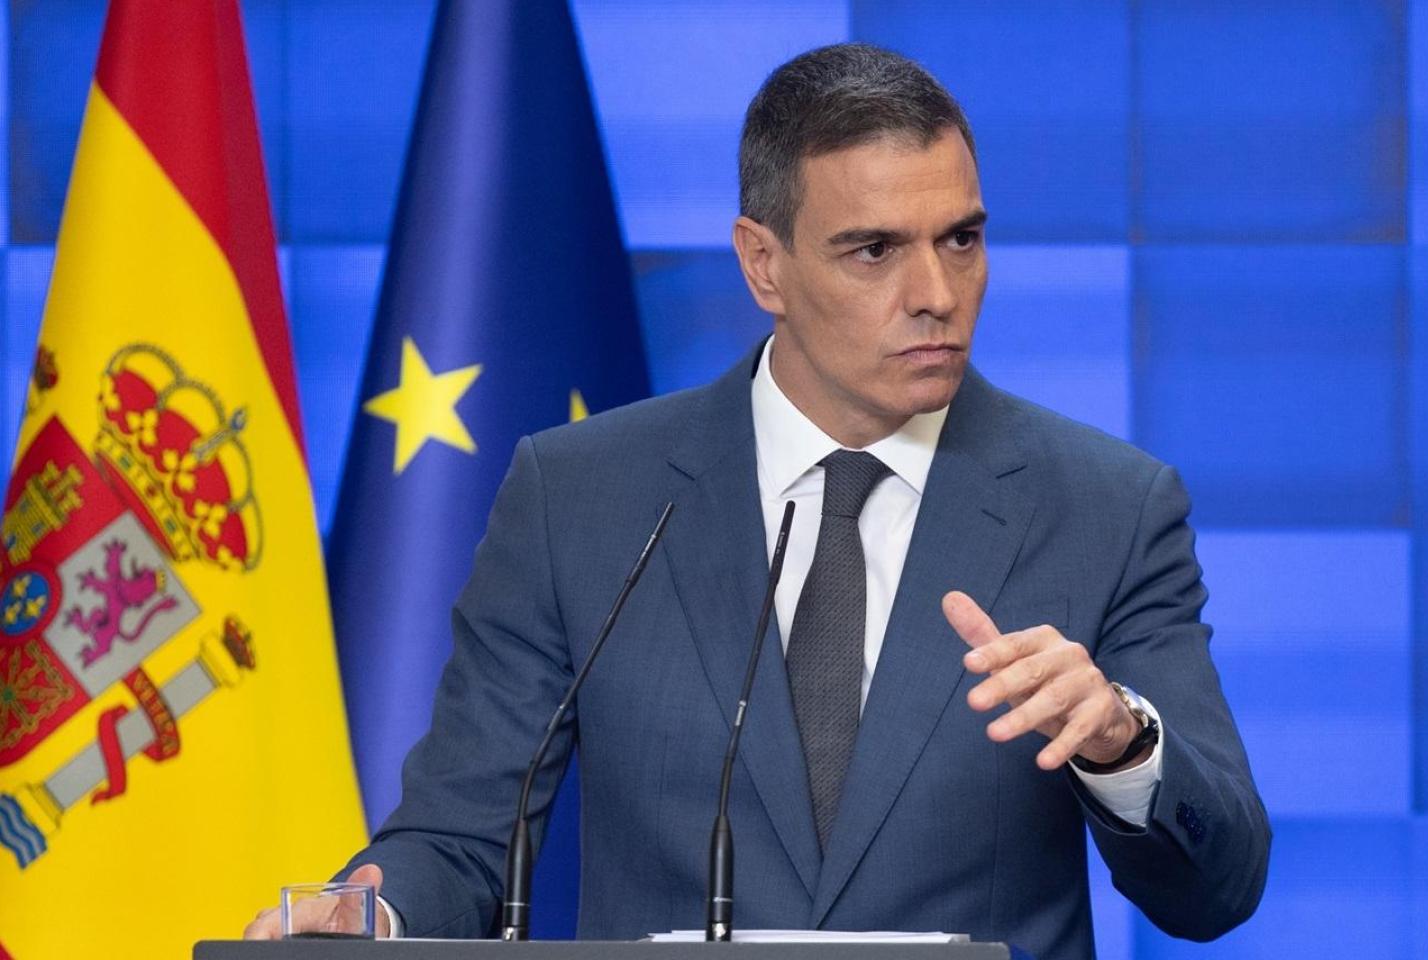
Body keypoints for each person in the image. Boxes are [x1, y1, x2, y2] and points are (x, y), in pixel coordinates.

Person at [246, 43, 1269, 957]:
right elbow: (462, 835)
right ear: (762, 264)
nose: (935, 293)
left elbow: (1217, 890)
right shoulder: (579, 497)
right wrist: (367, 915)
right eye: (874, 250)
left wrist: (1123, 744)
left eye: (960, 239)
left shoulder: (1107, 507)